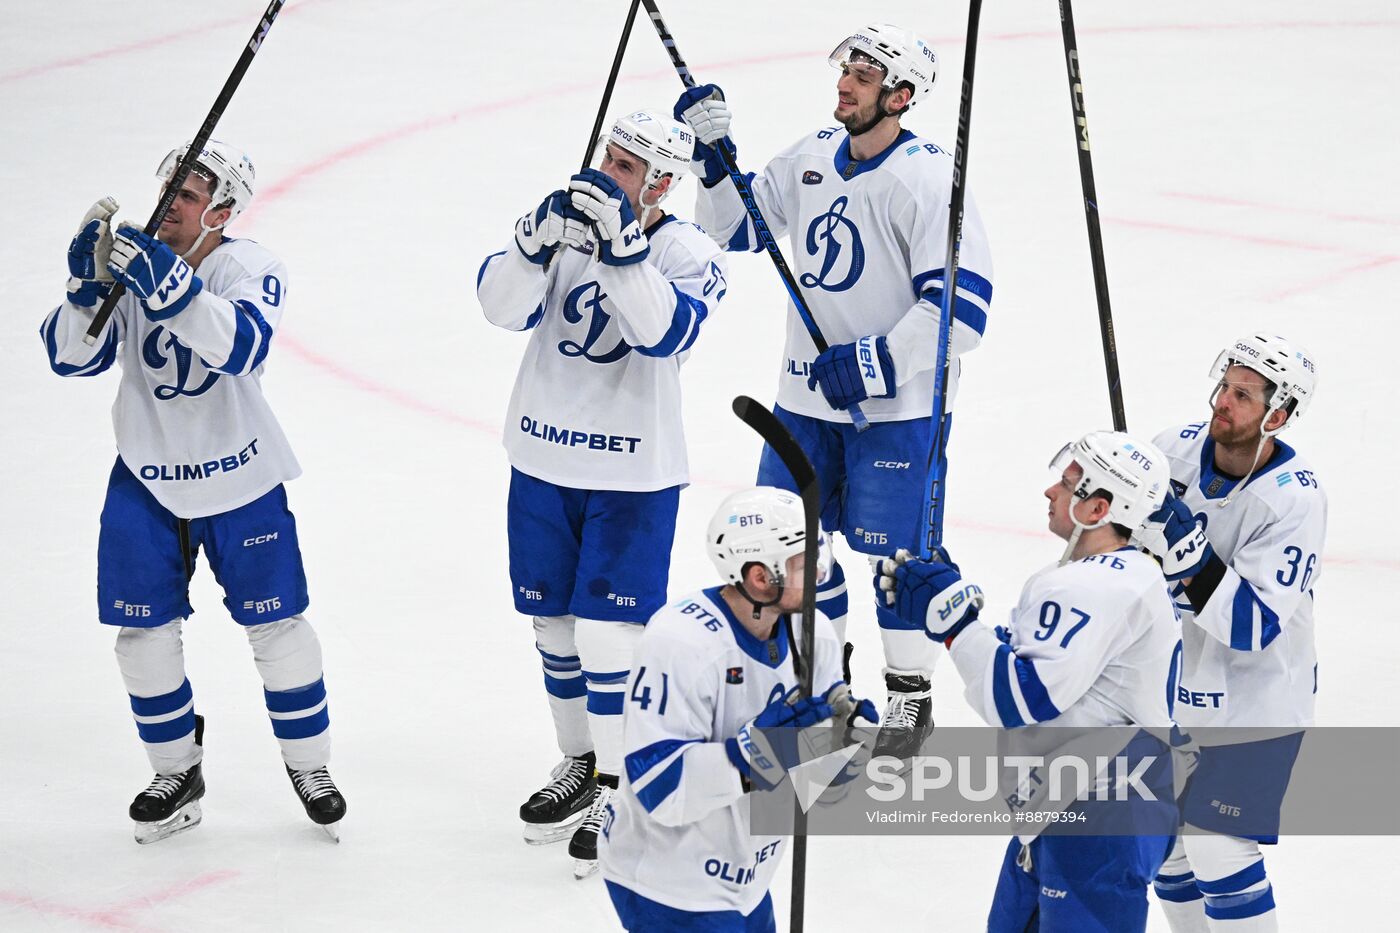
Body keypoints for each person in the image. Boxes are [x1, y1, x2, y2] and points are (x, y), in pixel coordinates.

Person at [674, 23, 993, 756]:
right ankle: (825, 686)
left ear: (902, 96)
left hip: (901, 410)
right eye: (847, 69)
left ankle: (910, 697)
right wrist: (714, 167)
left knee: (897, 561)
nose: (846, 83)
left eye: (865, 75)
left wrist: (874, 362)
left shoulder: (927, 180)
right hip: (803, 405)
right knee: (794, 550)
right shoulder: (814, 154)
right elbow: (735, 231)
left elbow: (960, 313)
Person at [40, 140, 345, 843]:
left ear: (223, 210)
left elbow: (241, 346)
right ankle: (176, 771)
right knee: (141, 639)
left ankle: (311, 766)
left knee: (279, 630)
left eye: (191, 190)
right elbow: (69, 357)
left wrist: (166, 285)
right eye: (170, 184)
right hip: (148, 478)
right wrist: (85, 290)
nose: (172, 198)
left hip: (241, 476)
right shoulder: (133, 263)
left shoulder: (251, 266)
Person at [476, 109, 729, 877]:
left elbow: (663, 332)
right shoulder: (563, 229)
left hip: (633, 473)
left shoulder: (691, 250)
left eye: (625, 165)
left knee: (609, 639)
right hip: (543, 457)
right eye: (607, 157)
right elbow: (497, 306)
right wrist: (532, 243)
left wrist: (620, 247)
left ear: (661, 183)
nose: (605, 173)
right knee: (553, 627)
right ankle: (581, 761)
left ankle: (622, 790)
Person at [879, 430, 1181, 931]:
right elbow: (1049, 665)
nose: (1051, 492)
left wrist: (954, 623)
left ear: (1097, 508)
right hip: (1077, 807)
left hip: (1099, 814)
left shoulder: (1089, 586)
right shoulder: (1124, 574)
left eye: (1067, 484)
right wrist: (956, 610)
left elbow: (1020, 697)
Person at [600, 487, 876, 931]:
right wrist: (752, 755)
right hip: (666, 880)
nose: (821, 575)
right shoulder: (681, 643)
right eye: (805, 565)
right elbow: (659, 789)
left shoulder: (814, 635)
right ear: (760, 577)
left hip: (745, 873)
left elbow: (814, 780)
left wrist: (846, 749)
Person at [1139, 335, 1324, 933]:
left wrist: (1187, 551)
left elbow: (1252, 627)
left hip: (1259, 699)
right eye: (1225, 386)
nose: (1223, 402)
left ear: (1279, 414)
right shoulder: (1172, 450)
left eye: (1243, 395)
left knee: (1220, 847)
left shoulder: (1294, 499)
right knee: (1164, 848)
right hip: (1176, 688)